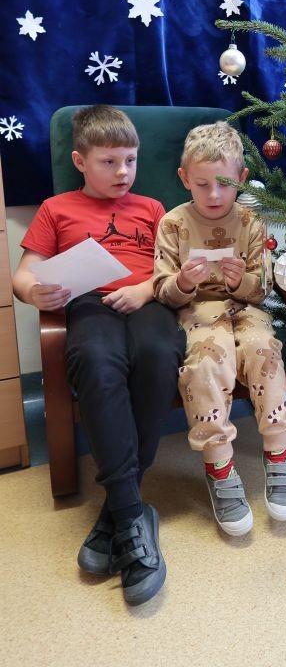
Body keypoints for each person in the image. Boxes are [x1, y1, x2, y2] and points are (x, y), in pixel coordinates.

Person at [12, 105, 185, 606]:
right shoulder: (56, 209)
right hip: (89, 303)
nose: (123, 172)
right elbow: (24, 273)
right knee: (96, 362)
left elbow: (171, 268)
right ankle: (132, 513)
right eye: (109, 162)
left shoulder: (152, 208)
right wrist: (32, 291)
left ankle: (117, 511)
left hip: (148, 301)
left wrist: (146, 290)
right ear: (80, 161)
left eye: (130, 160)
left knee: (158, 352)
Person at [153, 121, 286, 536]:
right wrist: (184, 282)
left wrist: (241, 281)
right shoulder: (173, 224)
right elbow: (162, 289)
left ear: (242, 178)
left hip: (246, 308)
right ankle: (219, 466)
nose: (214, 195)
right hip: (198, 311)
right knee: (204, 362)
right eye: (202, 185)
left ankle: (278, 453)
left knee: (263, 350)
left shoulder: (251, 221)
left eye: (224, 184)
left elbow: (263, 288)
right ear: (184, 178)